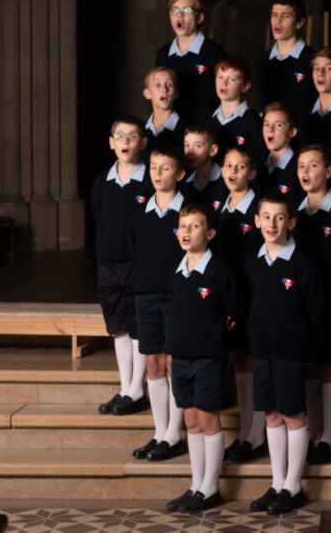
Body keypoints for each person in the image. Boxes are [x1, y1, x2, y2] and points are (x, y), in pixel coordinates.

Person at [245, 192, 324, 516]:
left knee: (292, 414)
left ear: (291, 222)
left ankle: (293, 485)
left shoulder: (303, 262)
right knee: (272, 414)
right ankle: (277, 482)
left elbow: (316, 311)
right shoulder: (252, 262)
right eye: (266, 217)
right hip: (262, 350)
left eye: (279, 218)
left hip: (291, 351)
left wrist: (307, 348)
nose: (272, 224)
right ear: (257, 222)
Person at [165, 204, 243, 513]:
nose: (185, 232)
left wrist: (217, 334)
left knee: (208, 418)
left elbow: (235, 312)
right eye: (182, 226)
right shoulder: (177, 270)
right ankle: (196, 484)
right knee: (190, 419)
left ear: (209, 234)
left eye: (193, 227)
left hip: (209, 357)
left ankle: (210, 488)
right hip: (182, 356)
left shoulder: (219, 271)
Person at [126, 144, 189, 461]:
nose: (158, 174)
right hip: (147, 294)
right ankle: (159, 432)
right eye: (153, 168)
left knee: (173, 363)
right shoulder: (141, 211)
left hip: (177, 296)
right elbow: (135, 252)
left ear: (179, 173)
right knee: (152, 363)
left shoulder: (189, 212)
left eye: (165, 168)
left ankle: (174, 434)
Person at [295, 145, 331, 464]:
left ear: (328, 172)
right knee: (310, 368)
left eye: (313, 165)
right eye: (301, 165)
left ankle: (329, 436)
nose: (306, 171)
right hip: (302, 304)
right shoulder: (297, 212)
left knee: (329, 365)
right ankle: (315, 432)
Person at [92, 115, 151, 417]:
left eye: (132, 136)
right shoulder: (102, 181)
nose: (125, 142)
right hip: (109, 263)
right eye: (120, 136)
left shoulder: (149, 179)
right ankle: (126, 386)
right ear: (111, 142)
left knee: (139, 323)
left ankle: (137, 389)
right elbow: (99, 218)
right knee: (119, 326)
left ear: (143, 142)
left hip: (139, 264)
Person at [215, 145, 266, 462]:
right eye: (228, 165)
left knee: (252, 361)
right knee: (237, 362)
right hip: (229, 295)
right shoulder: (219, 207)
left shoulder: (259, 208)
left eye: (240, 166)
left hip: (255, 294)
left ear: (252, 173)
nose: (233, 171)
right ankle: (246, 433)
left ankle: (257, 434)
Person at [155, 0, 227, 122]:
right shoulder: (163, 54)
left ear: (199, 17)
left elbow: (225, 98)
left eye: (186, 11)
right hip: (172, 132)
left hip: (205, 133)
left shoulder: (214, 52)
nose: (179, 16)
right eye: (174, 10)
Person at [254, 0, 316, 125]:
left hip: (305, 140)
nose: (278, 21)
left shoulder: (313, 61)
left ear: (299, 23)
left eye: (285, 16)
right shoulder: (262, 62)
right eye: (274, 15)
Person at [210, 56, 265, 164]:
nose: (224, 83)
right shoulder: (208, 120)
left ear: (245, 86)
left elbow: (258, 162)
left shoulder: (254, 123)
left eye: (232, 79)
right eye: (220, 77)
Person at [257, 102, 302, 206]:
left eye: (278, 125)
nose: (270, 129)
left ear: (292, 132)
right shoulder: (258, 166)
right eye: (266, 124)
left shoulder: (299, 168)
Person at [141, 67, 186, 158]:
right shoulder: (140, 131)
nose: (164, 89)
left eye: (169, 84)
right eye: (158, 85)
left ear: (176, 93)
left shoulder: (187, 131)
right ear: (147, 93)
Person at [182, 122, 227, 211]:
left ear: (213, 150)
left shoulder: (227, 180)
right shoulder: (183, 182)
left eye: (198, 146)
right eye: (187, 145)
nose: (190, 152)